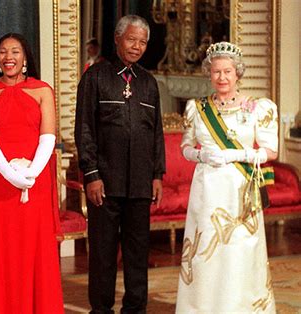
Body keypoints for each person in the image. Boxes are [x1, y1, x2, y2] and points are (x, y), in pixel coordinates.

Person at [0, 33, 64, 313]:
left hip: (36, 182)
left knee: (34, 252)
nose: (8, 57)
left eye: (15, 51)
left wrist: (29, 173)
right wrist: (11, 174)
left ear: (25, 58)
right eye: (3, 52)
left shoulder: (43, 90)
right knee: (1, 252)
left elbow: (48, 137)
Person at [175, 41, 278, 312]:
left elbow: (271, 151)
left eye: (227, 72)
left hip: (240, 188)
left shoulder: (259, 108)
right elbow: (185, 148)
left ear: (237, 73)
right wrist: (201, 156)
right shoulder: (196, 109)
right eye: (216, 72)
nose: (221, 77)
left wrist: (238, 155)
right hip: (207, 188)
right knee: (206, 250)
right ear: (209, 73)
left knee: (239, 249)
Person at [75, 15, 165, 313]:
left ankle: (135, 308)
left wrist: (157, 175)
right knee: (102, 254)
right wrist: (91, 174)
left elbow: (156, 133)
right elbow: (84, 128)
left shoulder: (150, 83)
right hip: (105, 182)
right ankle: (101, 309)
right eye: (131, 40)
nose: (137, 47)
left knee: (138, 253)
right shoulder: (95, 77)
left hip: (140, 183)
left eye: (142, 42)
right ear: (117, 39)